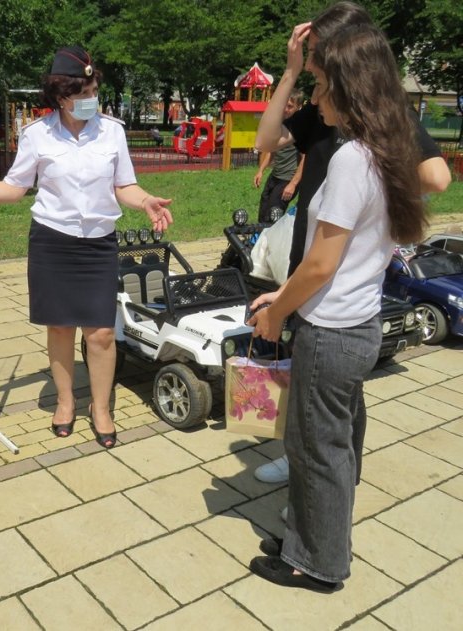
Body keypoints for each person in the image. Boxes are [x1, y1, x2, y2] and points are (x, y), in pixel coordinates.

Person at [247, 23, 429, 592]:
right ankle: (314, 537)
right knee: (337, 444)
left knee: (316, 449)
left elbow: (323, 264)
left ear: (349, 88)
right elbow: (341, 260)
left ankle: (318, 564)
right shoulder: (385, 150)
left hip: (331, 333)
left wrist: (277, 314)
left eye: (322, 85)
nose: (316, 97)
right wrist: (284, 293)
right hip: (358, 321)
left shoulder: (352, 159)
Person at [0, 46, 173, 449]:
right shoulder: (37, 135)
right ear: (61, 96)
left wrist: (145, 201)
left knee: (102, 334)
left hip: (97, 245)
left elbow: (124, 184)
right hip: (52, 242)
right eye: (84, 92)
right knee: (59, 326)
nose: (92, 98)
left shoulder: (113, 131)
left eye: (94, 89)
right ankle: (64, 401)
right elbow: (15, 186)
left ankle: (102, 407)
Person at [253, 90, 305, 224]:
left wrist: (293, 184)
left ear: (299, 107)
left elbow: (305, 159)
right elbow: (271, 151)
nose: (286, 109)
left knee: (272, 217)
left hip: (287, 180)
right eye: (285, 106)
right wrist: (261, 171)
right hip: (275, 177)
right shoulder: (281, 124)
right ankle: (260, 242)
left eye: (290, 106)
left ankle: (272, 243)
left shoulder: (299, 129)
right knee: (263, 213)